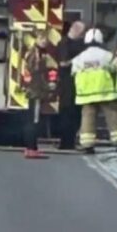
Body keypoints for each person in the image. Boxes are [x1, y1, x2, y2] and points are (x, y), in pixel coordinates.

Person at [72, 28, 117, 154]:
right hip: (105, 91)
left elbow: (73, 72)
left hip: (86, 94)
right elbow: (114, 69)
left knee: (88, 118)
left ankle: (88, 144)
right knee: (112, 117)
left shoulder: (79, 58)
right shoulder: (107, 55)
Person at [22, 31, 56, 159]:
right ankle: (31, 148)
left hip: (36, 91)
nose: (44, 41)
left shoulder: (40, 53)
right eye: (41, 38)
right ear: (36, 39)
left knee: (34, 119)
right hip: (35, 91)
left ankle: (33, 148)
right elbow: (35, 73)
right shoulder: (35, 54)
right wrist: (47, 86)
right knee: (33, 120)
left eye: (45, 39)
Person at [57, 20, 86, 150]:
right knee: (66, 113)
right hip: (67, 84)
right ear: (76, 30)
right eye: (82, 33)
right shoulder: (64, 43)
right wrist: (78, 60)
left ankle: (71, 140)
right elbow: (63, 63)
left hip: (78, 83)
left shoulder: (81, 44)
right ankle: (65, 142)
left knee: (76, 114)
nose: (83, 36)